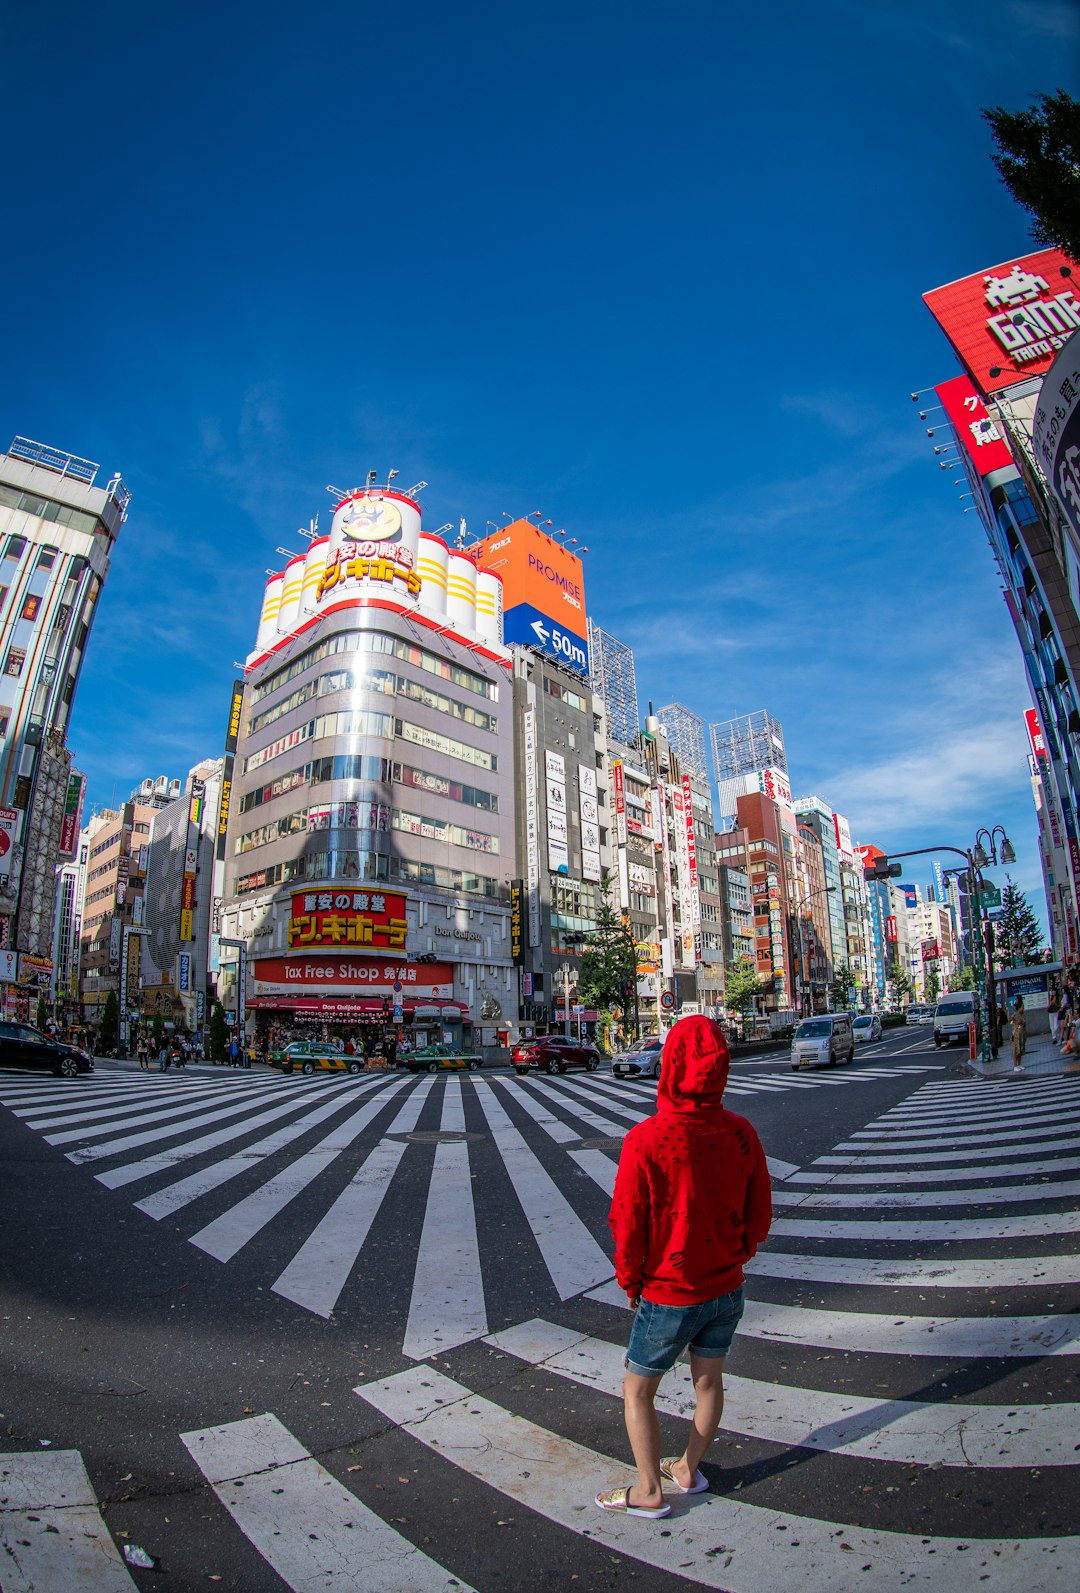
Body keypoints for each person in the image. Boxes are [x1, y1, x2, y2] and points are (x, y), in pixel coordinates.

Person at [597, 1015, 772, 1519]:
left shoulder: (647, 1139)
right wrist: (740, 1252)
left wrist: (630, 1280)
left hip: (669, 1290)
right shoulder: (741, 1133)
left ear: (669, 1066)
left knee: (638, 1389)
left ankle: (648, 1489)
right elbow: (759, 1210)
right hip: (727, 1285)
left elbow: (627, 1221)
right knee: (709, 1383)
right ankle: (688, 1468)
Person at [1011, 995, 1027, 1069]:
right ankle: (1015, 1065)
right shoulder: (1015, 1014)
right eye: (1021, 1007)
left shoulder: (1021, 1014)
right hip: (1016, 1033)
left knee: (1020, 1049)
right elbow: (1011, 1021)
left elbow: (1024, 1022)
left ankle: (1019, 1064)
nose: (1022, 1008)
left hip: (1021, 1032)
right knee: (1016, 1049)